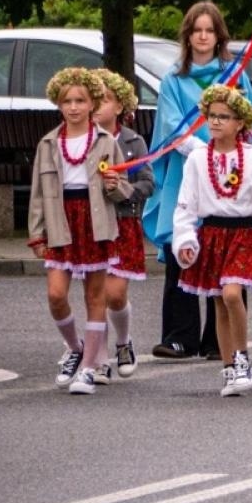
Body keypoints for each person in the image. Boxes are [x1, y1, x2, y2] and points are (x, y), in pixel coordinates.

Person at [145, 2, 252, 362]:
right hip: (188, 171)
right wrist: (206, 151)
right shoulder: (173, 79)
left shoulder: (234, 75)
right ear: (187, 36)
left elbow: (251, 122)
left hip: (231, 171)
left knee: (230, 245)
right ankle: (179, 336)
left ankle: (221, 341)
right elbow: (172, 127)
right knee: (181, 248)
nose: (202, 36)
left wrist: (236, 158)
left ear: (219, 36)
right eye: (196, 30)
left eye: (209, 30)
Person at [28, 68, 135, 395]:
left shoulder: (104, 141)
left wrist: (114, 185)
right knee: (56, 294)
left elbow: (124, 190)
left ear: (92, 104)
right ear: (58, 105)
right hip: (62, 221)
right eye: (66, 101)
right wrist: (37, 232)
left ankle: (89, 367)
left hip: (96, 221)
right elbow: (36, 192)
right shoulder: (48, 143)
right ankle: (75, 348)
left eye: (80, 101)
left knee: (95, 296)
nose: (73, 107)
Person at [172, 85, 252, 397]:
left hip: (244, 233)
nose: (216, 122)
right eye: (212, 116)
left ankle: (243, 358)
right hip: (212, 234)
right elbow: (186, 203)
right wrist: (184, 238)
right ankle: (228, 368)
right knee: (219, 302)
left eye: (225, 117)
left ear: (240, 124)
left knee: (233, 294)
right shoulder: (196, 158)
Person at [93, 71, 153, 382]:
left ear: (120, 106)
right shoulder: (82, 140)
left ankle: (123, 341)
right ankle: (99, 359)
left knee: (115, 294)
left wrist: (124, 188)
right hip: (90, 225)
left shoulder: (133, 141)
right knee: (96, 294)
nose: (98, 107)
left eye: (105, 100)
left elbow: (147, 182)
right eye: (95, 99)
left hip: (123, 223)